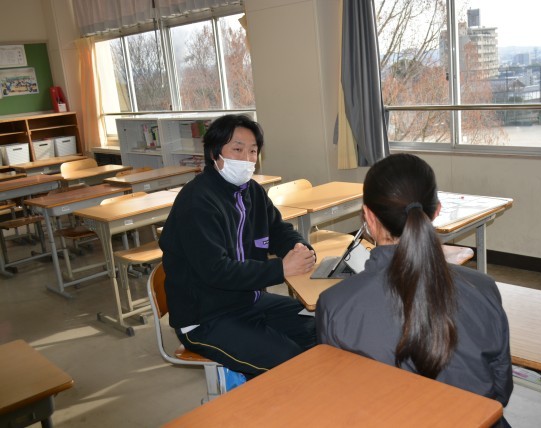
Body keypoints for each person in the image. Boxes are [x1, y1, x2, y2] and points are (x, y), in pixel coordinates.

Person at [316, 154, 513, 416]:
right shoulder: (483, 288)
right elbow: (501, 391)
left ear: (368, 217)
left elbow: (341, 397)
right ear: (437, 211)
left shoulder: (335, 304)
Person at [159, 114, 317, 379]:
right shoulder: (197, 202)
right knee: (288, 362)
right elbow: (217, 270)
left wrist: (300, 248)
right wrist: (281, 269)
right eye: (237, 149)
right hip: (206, 318)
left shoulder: (251, 190)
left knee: (323, 325)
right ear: (214, 153)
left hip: (249, 301)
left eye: (252, 151)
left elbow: (278, 230)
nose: (246, 158)